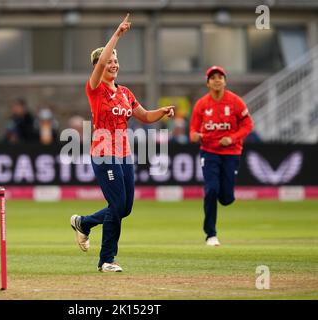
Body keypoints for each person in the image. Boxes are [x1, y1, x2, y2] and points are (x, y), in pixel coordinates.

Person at [70, 14, 175, 272]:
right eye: (109, 62)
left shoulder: (126, 93)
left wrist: (161, 111)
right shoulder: (95, 89)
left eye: (116, 62)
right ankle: (107, 259)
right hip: (103, 153)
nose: (113, 65)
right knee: (117, 206)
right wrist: (117, 34)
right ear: (99, 67)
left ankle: (84, 223)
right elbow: (102, 58)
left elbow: (145, 116)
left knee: (125, 208)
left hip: (125, 154)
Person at [189, 66, 253, 246]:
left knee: (226, 198)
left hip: (231, 153)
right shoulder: (202, 104)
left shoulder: (235, 102)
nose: (217, 80)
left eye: (220, 77)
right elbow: (193, 130)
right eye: (213, 77)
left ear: (225, 81)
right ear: (207, 82)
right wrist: (195, 136)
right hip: (209, 152)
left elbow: (248, 125)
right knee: (211, 190)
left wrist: (232, 138)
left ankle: (224, 195)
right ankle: (211, 234)